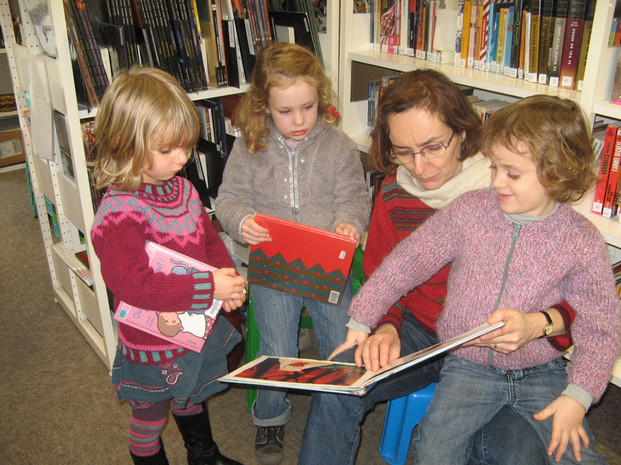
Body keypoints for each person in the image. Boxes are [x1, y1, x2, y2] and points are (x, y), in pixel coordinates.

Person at [298, 70, 576, 465]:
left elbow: (579, 298)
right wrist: (388, 324)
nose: (420, 167)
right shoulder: (395, 191)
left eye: (432, 148)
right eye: (403, 151)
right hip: (423, 331)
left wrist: (537, 324)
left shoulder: (516, 186)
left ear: (463, 132)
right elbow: (384, 273)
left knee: (512, 452)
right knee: (339, 383)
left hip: (499, 349)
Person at [344, 94, 621, 464]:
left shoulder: (581, 240)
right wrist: (363, 316)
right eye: (494, 168)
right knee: (432, 451)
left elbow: (600, 326)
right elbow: (407, 262)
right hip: (468, 367)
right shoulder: (470, 210)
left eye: (513, 173)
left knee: (577, 453)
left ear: (557, 173)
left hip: (542, 371)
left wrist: (579, 395)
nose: (498, 181)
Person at [214, 42, 370, 464]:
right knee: (276, 349)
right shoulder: (250, 146)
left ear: (321, 97)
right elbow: (227, 199)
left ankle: (340, 410)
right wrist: (241, 220)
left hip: (327, 269)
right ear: (264, 106)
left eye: (308, 106)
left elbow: (356, 198)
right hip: (274, 269)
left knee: (341, 342)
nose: (299, 120)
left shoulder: (339, 146)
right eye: (286, 111)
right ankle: (270, 418)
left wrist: (350, 224)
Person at [90, 66, 247, 465]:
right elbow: (133, 284)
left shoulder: (183, 188)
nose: (183, 158)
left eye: (186, 146)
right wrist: (207, 288)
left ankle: (203, 454)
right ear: (125, 144)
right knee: (149, 416)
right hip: (152, 343)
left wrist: (224, 275)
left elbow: (208, 240)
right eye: (167, 150)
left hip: (192, 328)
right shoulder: (119, 212)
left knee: (190, 393)